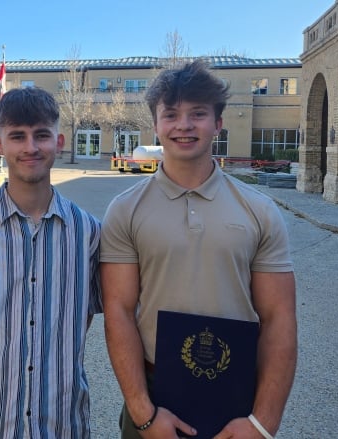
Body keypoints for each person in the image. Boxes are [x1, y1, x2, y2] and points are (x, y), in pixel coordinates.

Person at [100, 59, 297, 439]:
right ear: (156, 125)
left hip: (237, 394)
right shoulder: (125, 209)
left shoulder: (258, 210)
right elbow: (119, 311)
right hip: (156, 393)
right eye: (170, 114)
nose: (184, 125)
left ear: (218, 124)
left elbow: (279, 317)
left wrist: (262, 423)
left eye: (198, 114)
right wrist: (143, 414)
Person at [0, 87, 102, 438]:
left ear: (59, 141)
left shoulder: (88, 232)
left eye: (41, 135)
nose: (31, 147)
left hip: (62, 421)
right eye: (17, 136)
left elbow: (85, 314)